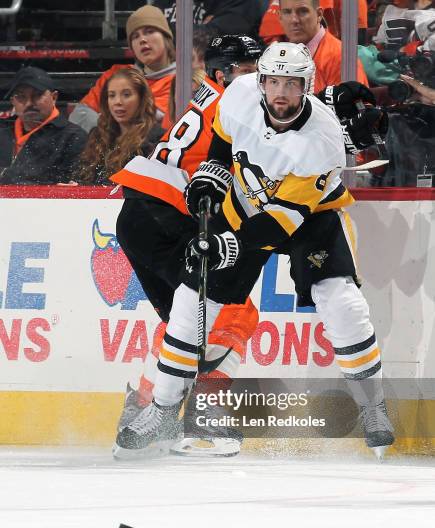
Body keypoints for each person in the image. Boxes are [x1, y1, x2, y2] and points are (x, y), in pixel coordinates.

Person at [115, 42, 395, 460]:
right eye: (274, 82)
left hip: (309, 219)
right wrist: (211, 175)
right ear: (261, 81)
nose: (280, 93)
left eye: (292, 84)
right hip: (244, 203)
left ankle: (373, 405)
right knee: (192, 301)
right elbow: (223, 144)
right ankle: (163, 405)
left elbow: (284, 217)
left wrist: (232, 244)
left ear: (307, 87)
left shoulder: (324, 140)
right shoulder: (241, 93)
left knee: (341, 300)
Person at [111, 35, 263, 459]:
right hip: (169, 216)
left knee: (184, 321)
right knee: (231, 311)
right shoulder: (234, 106)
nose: (259, 79)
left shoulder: (213, 97)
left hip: (143, 215)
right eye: (249, 70)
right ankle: (204, 424)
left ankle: (141, 412)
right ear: (221, 74)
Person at [69, 5, 176, 133]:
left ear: (166, 37)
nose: (142, 39)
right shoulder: (116, 74)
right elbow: (78, 116)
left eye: (149, 31)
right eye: (135, 36)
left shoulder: (184, 81)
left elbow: (151, 126)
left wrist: (106, 121)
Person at [73, 68, 162, 185]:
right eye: (112, 95)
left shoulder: (157, 139)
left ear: (142, 99)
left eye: (126, 95)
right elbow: (82, 177)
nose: (118, 102)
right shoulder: (97, 136)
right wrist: (76, 187)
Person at [0, 66, 87, 185]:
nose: (29, 103)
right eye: (21, 96)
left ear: (54, 97)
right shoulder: (2, 133)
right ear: (13, 102)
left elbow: (81, 186)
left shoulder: (73, 137)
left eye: (37, 95)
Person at [259, 0, 368, 93]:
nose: (294, 20)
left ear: (319, 14)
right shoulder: (273, 57)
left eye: (303, 11)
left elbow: (355, 112)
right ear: (280, 17)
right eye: (287, 12)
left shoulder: (342, 57)